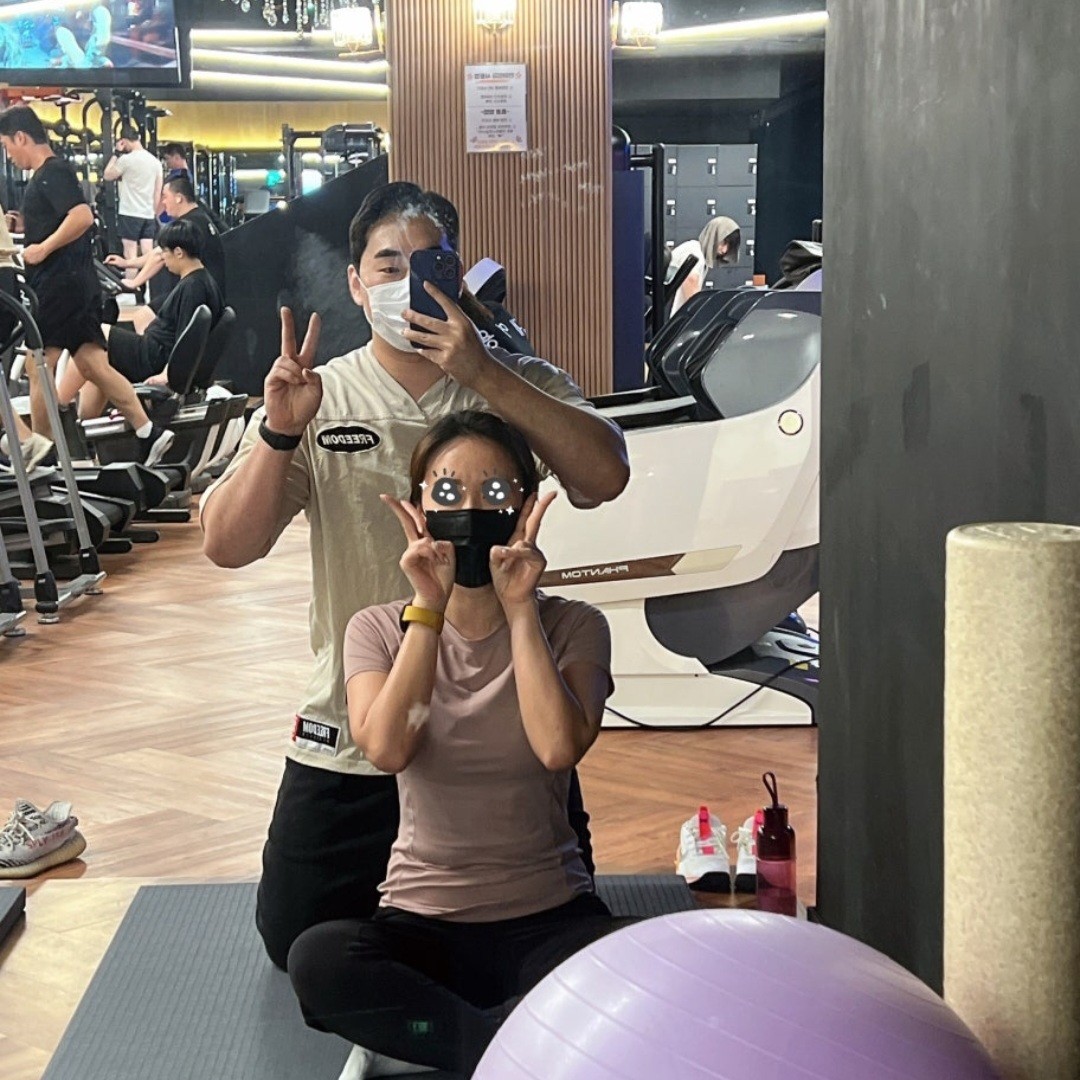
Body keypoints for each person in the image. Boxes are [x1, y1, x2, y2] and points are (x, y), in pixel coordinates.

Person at [200, 181, 630, 976]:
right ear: (356, 284)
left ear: (454, 275)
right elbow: (226, 545)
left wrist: (484, 370)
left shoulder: (516, 380)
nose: (404, 280)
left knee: (539, 939)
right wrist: (279, 434)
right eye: (385, 264)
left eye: (424, 262)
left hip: (503, 728)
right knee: (297, 940)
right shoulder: (319, 394)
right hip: (361, 722)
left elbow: (604, 476)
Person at [289, 409, 632, 1077]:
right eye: (448, 493)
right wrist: (428, 606)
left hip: (550, 919)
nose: (470, 510)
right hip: (420, 924)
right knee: (319, 960)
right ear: (419, 508)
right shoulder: (377, 629)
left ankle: (461, 1043)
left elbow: (557, 747)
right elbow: (388, 749)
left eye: (494, 492)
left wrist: (520, 607)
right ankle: (511, 1052)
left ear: (525, 507)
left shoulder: (575, 625)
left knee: (636, 972)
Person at [0, 105, 173, 465]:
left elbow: (81, 217)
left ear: (21, 137)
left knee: (37, 367)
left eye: (7, 146)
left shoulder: (52, 172)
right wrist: (25, 229)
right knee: (92, 364)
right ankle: (148, 431)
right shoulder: (46, 176)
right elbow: (62, 219)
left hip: (59, 287)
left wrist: (43, 247)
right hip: (74, 286)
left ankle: (44, 455)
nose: (9, 155)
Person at [61, 218, 224, 416]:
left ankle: (58, 406)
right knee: (96, 362)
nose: (162, 258)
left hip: (152, 358)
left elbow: (186, 339)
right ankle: (82, 424)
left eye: (164, 252)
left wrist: (166, 375)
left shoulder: (193, 287)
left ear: (179, 252)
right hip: (153, 352)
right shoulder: (202, 281)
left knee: (92, 335)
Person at [108, 176, 226, 312]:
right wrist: (127, 263)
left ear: (178, 198)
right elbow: (159, 251)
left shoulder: (189, 225)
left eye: (165, 196)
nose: (163, 202)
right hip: (204, 293)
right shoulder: (199, 218)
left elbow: (160, 256)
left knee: (144, 315)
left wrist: (134, 282)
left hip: (196, 295)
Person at [103, 125, 161, 274]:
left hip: (130, 213)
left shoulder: (126, 160)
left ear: (124, 141)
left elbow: (107, 175)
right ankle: (150, 286)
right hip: (148, 214)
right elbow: (157, 191)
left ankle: (131, 286)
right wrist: (153, 212)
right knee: (149, 255)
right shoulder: (155, 162)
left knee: (130, 257)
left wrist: (116, 153)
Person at [668, 215, 742, 314]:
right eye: (723, 242)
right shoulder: (696, 253)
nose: (724, 250)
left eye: (729, 246)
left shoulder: (693, 249)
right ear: (714, 236)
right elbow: (691, 281)